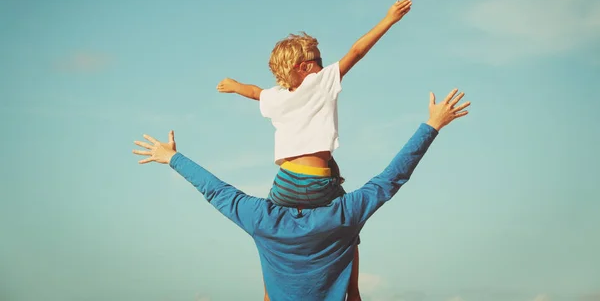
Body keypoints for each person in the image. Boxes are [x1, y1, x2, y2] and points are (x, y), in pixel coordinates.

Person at [132, 89, 470, 301]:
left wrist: (171, 157)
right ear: (334, 184)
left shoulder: (263, 220)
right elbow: (391, 179)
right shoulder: (344, 217)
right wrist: (432, 125)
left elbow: (215, 190)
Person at [215, 0, 412, 300]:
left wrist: (233, 84)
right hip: (319, 185)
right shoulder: (319, 82)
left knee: (269, 234)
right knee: (350, 227)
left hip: (285, 183)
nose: (324, 65)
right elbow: (357, 52)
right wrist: (388, 20)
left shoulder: (277, 97)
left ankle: (269, 296)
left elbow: (255, 92)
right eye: (319, 60)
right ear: (305, 68)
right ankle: (354, 292)